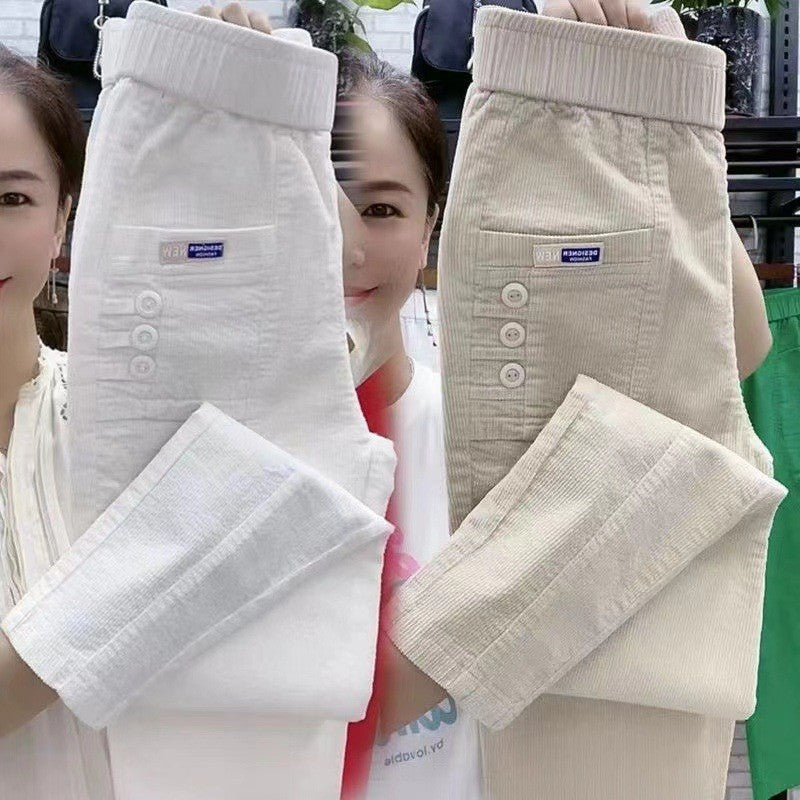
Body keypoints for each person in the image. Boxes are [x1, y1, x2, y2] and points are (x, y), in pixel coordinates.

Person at [0, 0, 774, 796]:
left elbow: (711, 390)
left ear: (438, 220)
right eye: (313, 201)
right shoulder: (139, 424)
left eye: (379, 209)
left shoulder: (466, 418)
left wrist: (655, 141)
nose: (346, 248)